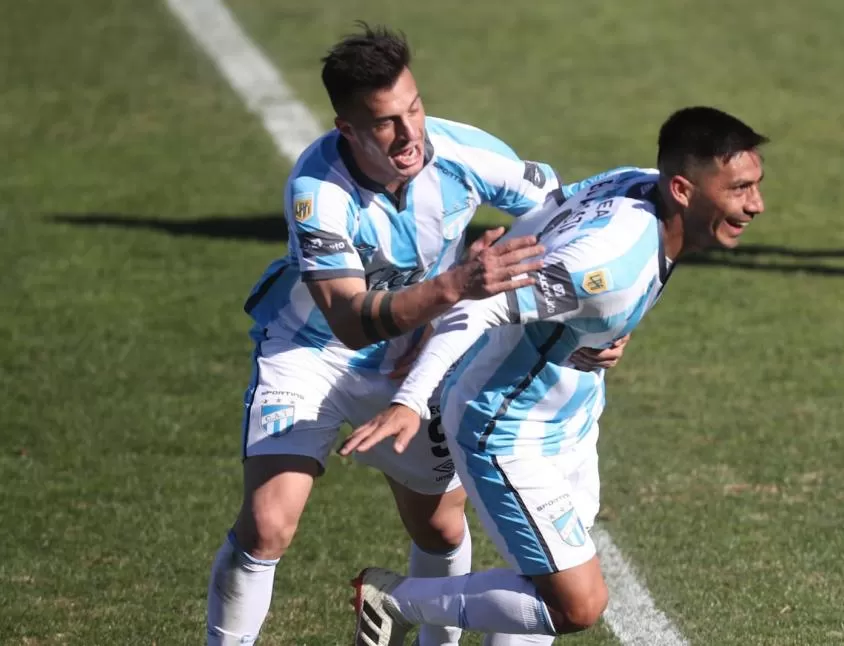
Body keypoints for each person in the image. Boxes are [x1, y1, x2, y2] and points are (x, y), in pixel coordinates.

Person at [205, 24, 628, 646]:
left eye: (415, 107)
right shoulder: (317, 192)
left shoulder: (462, 152)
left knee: (439, 531)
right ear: (348, 130)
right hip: (311, 356)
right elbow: (349, 321)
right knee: (268, 523)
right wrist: (455, 285)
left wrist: (589, 322)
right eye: (385, 123)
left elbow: (565, 217)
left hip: (416, 360)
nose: (410, 135)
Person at [342, 105, 768, 645]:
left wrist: (601, 330)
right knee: (577, 604)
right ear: (684, 189)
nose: (756, 204)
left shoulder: (638, 184)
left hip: (570, 417)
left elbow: (557, 216)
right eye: (740, 189)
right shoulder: (611, 265)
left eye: (754, 185)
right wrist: (411, 398)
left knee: (540, 583)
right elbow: (481, 304)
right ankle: (394, 601)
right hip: (503, 428)